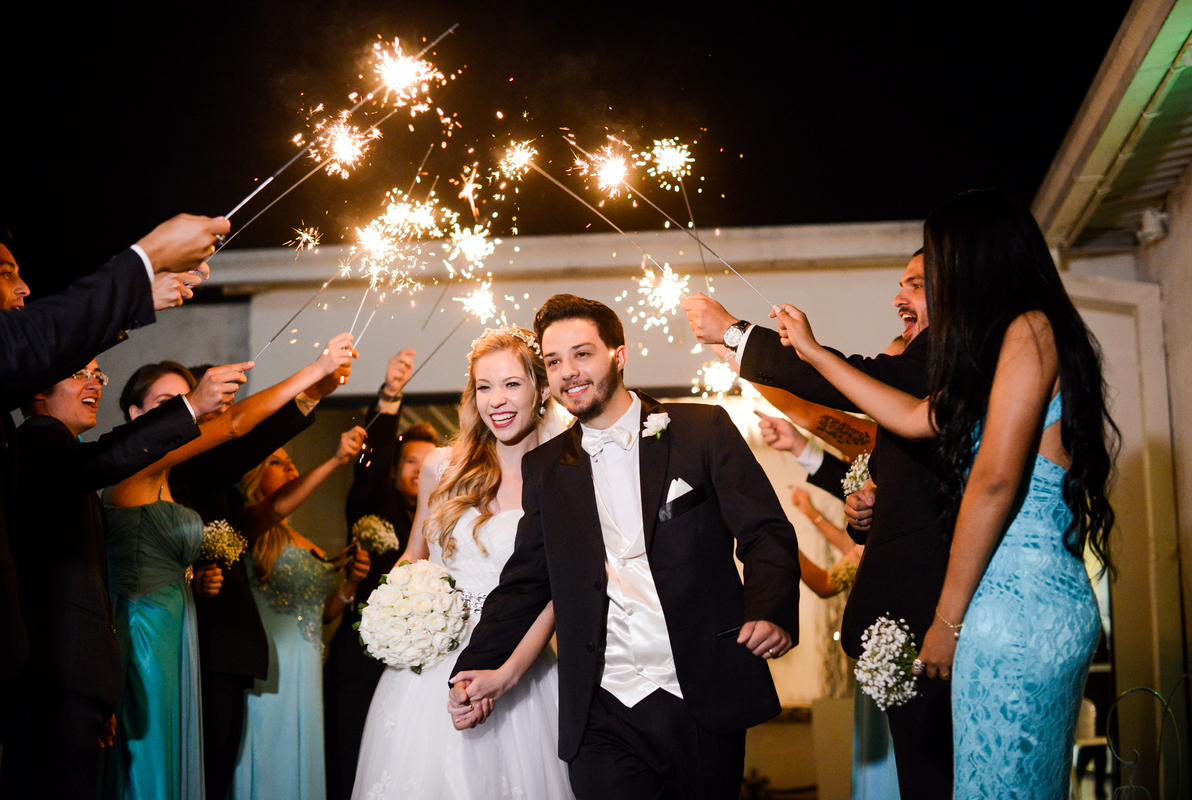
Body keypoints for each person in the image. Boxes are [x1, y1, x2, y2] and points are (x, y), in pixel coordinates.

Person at [773, 189, 1116, 799]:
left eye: (941, 256)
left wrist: (947, 621)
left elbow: (994, 482)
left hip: (1014, 608)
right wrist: (813, 353)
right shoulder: (1020, 341)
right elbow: (912, 417)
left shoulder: (1030, 329)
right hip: (1018, 601)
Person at [451, 297, 801, 800]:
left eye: (582, 354)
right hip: (600, 707)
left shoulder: (702, 430)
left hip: (700, 692)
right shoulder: (546, 468)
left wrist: (769, 610)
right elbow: (527, 579)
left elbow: (765, 531)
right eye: (553, 362)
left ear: (619, 355)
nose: (568, 372)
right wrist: (475, 666)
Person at [683, 251, 953, 799]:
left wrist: (738, 334)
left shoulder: (941, 373)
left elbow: (835, 401)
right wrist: (863, 511)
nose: (899, 299)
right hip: (899, 627)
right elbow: (877, 467)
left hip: (934, 623)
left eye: (916, 286)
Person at [103, 335, 355, 800]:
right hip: (146, 631)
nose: (187, 411)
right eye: (170, 402)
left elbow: (238, 440)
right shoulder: (126, 468)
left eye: (188, 399)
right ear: (136, 416)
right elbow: (236, 425)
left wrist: (312, 392)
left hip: (187, 632)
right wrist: (313, 371)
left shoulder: (178, 472)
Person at [0, 214, 226, 682]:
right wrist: (149, 259)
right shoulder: (40, 436)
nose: (24, 289)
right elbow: (36, 344)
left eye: (98, 375)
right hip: (55, 666)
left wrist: (139, 300)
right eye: (6, 275)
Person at [351, 326, 573, 800]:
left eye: (512, 383)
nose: (497, 400)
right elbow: (416, 555)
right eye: (484, 386)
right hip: (430, 663)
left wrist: (508, 672)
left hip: (518, 659)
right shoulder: (441, 466)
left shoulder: (565, 476)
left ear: (540, 388)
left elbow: (556, 593)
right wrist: (396, 608)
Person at [0, 358, 229, 800]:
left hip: (74, 675)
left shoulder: (65, 453)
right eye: (77, 372)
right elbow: (111, 456)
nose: (94, 384)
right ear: (35, 391)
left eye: (99, 375)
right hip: (54, 676)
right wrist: (192, 406)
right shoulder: (40, 437)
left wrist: (99, 687)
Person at [171, 361, 351, 800]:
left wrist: (332, 454)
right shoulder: (177, 475)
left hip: (238, 653)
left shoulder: (222, 489)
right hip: (198, 648)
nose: (227, 415)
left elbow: (269, 511)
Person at [230, 433, 372, 800]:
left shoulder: (296, 535)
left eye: (290, 460)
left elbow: (322, 614)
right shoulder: (249, 527)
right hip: (272, 665)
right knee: (270, 757)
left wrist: (351, 582)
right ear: (254, 474)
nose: (289, 465)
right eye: (276, 461)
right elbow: (276, 508)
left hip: (308, 667)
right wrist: (336, 458)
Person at [326, 349, 435, 800]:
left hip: (419, 671)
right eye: (411, 463)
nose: (420, 472)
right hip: (359, 664)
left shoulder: (446, 523)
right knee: (350, 766)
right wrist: (390, 396)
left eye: (429, 465)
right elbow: (370, 463)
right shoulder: (375, 503)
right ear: (395, 469)